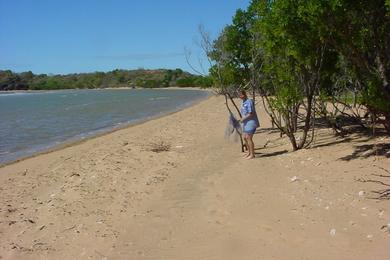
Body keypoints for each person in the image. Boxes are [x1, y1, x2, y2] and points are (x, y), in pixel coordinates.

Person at [239, 90, 259, 159]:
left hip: (251, 122)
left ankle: (252, 154)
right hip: (245, 123)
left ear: (244, 94)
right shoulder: (242, 102)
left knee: (248, 138)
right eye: (239, 95)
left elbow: (251, 113)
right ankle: (249, 152)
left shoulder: (249, 101)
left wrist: (243, 119)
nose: (240, 96)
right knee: (245, 138)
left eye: (241, 95)